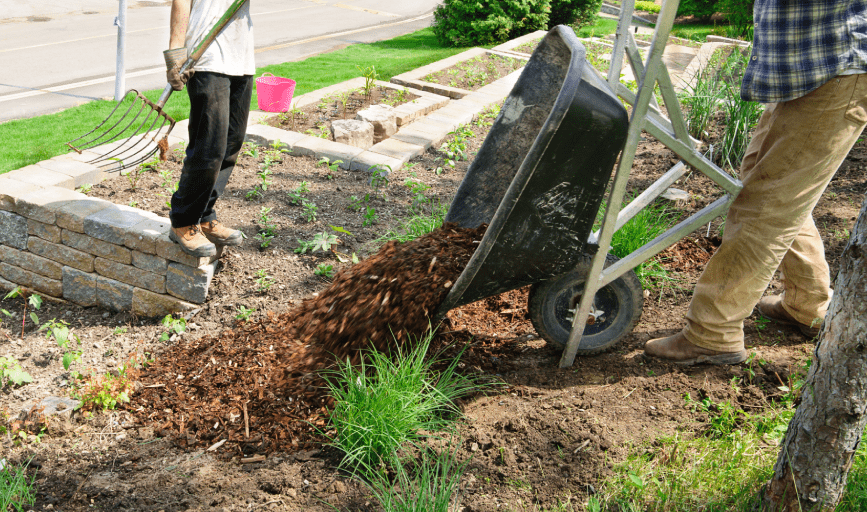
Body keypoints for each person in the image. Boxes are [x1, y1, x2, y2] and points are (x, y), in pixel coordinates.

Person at [645, 0, 867, 365]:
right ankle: (808, 304)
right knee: (767, 185)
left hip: (838, 65)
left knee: (767, 204)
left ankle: (712, 333)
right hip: (810, 66)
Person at [164, 0, 254, 257]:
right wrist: (175, 49)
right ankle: (183, 220)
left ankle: (204, 214)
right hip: (207, 58)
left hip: (241, 56)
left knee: (231, 142)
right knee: (209, 145)